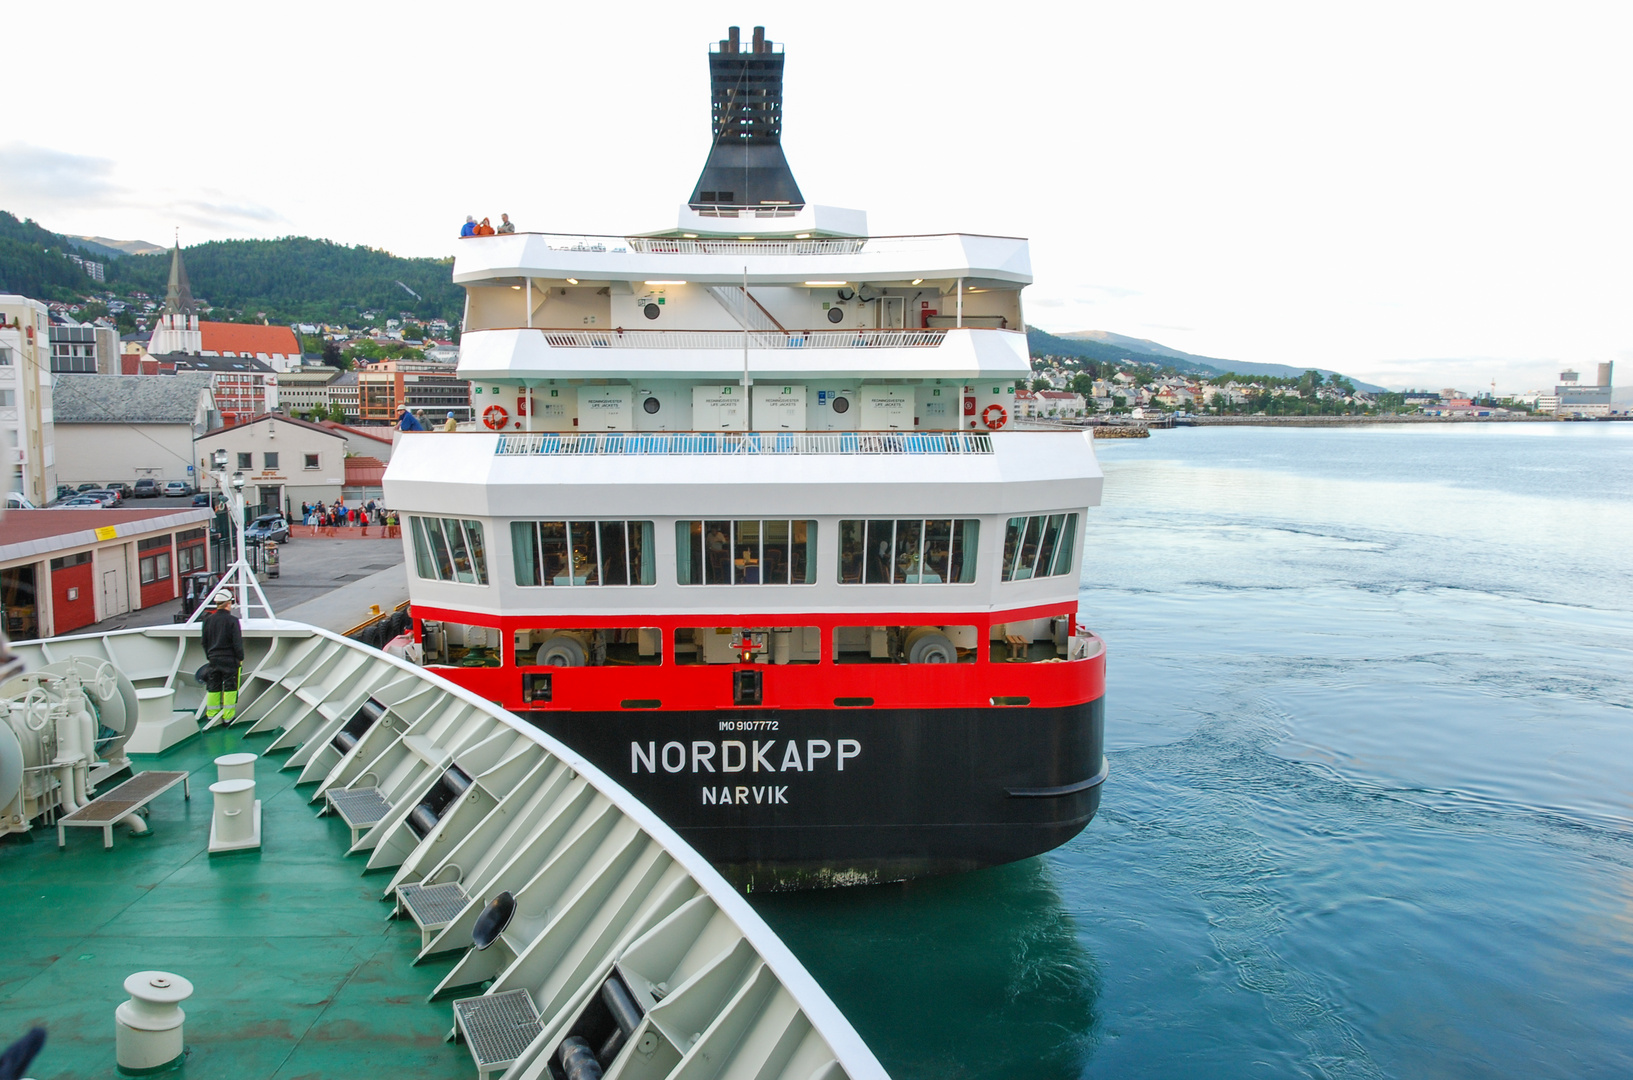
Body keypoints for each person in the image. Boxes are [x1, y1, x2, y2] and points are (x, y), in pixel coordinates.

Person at [202, 592, 244, 723]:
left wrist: (209, 656)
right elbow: (237, 643)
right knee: (230, 687)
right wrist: (240, 657)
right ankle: (228, 717)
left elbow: (204, 641)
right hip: (229, 659)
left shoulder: (208, 620)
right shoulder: (233, 621)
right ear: (228, 603)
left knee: (213, 686)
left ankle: (211, 715)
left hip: (213, 659)